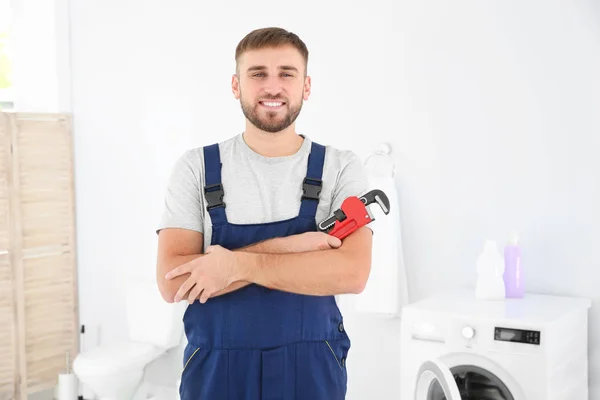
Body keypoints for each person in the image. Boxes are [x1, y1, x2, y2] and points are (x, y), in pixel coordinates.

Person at [155, 27, 373, 400]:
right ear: (236, 85)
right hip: (216, 372)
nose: (273, 87)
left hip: (312, 370)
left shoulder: (341, 167)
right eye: (258, 74)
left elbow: (351, 273)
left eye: (286, 73)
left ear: (306, 86)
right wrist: (295, 248)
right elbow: (174, 283)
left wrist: (233, 266)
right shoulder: (196, 168)